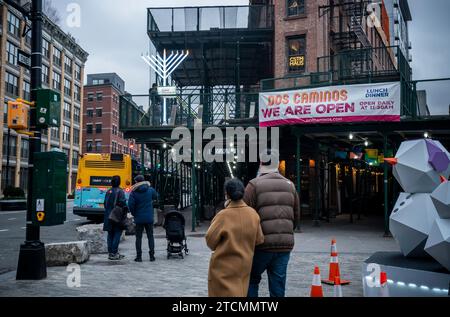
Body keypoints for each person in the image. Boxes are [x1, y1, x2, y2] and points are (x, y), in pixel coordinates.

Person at [244, 152, 300, 297]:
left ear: (261, 163)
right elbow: (296, 217)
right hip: (284, 245)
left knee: (251, 280)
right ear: (277, 164)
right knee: (278, 285)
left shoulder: (253, 185)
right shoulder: (290, 185)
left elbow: (244, 215)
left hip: (261, 245)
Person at [206, 179, 264, 297]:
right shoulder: (253, 214)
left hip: (223, 268)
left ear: (227, 194)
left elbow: (210, 241)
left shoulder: (223, 215)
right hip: (244, 266)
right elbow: (259, 239)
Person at [128, 175, 158, 262]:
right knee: (150, 236)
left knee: (138, 238)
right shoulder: (150, 190)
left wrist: (134, 214)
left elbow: (130, 205)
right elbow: (156, 196)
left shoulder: (134, 192)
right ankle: (152, 256)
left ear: (137, 182)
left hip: (139, 218)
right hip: (149, 217)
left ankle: (139, 257)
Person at [104, 175, 127, 261]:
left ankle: (110, 253)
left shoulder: (108, 191)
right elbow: (123, 204)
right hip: (117, 217)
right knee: (117, 234)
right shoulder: (120, 192)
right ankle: (114, 253)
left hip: (108, 216)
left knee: (110, 234)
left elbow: (105, 204)